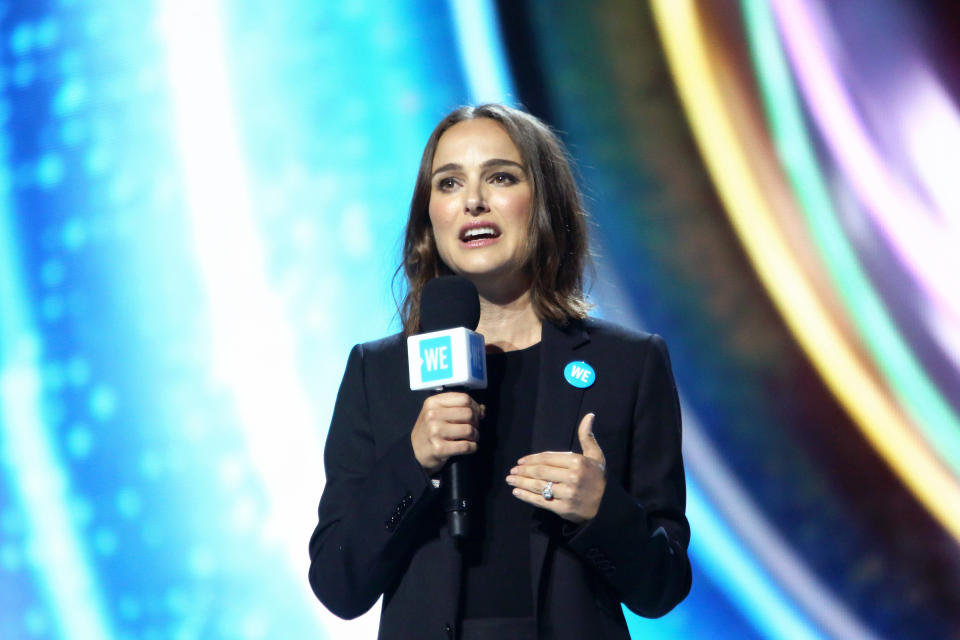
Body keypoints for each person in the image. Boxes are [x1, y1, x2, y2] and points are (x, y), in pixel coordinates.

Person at [308, 104, 691, 640]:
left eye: (500, 177)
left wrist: (601, 510)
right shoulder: (379, 372)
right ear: (429, 218)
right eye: (449, 183)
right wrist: (414, 462)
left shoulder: (628, 363)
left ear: (544, 202)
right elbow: (338, 585)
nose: (473, 202)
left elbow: (663, 587)